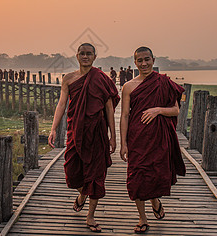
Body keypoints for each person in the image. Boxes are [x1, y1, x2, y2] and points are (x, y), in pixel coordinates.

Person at [48, 43, 119, 233]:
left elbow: (109, 109)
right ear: (77, 56)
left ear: (95, 57)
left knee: (96, 176)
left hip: (96, 133)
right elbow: (62, 104)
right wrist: (54, 128)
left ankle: (90, 216)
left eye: (89, 54)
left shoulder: (102, 79)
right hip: (75, 132)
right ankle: (81, 196)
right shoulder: (69, 79)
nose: (85, 57)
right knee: (72, 173)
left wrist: (113, 136)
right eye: (82, 54)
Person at [119, 47, 186, 234]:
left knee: (156, 174)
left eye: (147, 59)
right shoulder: (129, 86)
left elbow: (175, 110)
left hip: (158, 138)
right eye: (139, 60)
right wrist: (123, 143)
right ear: (135, 62)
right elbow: (124, 115)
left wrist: (158, 110)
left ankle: (155, 200)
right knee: (136, 178)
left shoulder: (163, 82)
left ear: (153, 60)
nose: (144, 64)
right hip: (137, 138)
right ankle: (142, 218)